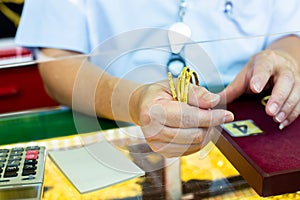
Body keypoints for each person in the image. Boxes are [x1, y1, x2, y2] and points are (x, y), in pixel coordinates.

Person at [15, 0, 300, 157]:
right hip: (112, 131)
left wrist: (284, 59)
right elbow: (57, 64)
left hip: (250, 133)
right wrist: (132, 101)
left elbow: (290, 32)